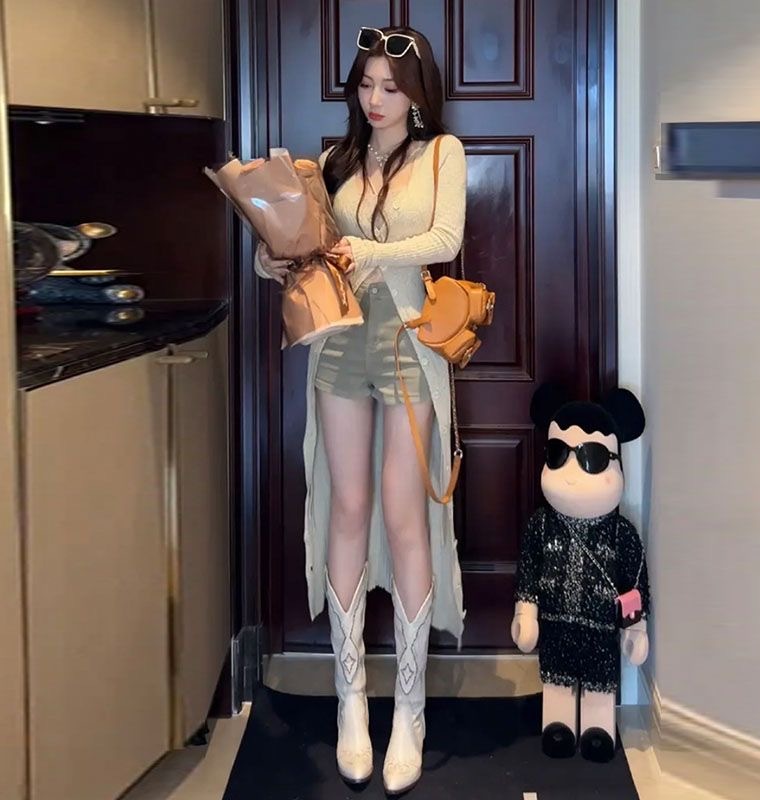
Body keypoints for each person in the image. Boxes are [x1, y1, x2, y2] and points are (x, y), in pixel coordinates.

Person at [257, 24, 467, 795]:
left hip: (409, 342)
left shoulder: (442, 153)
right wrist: (271, 256)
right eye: (366, 84)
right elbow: (304, 245)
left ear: (416, 95)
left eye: (390, 87)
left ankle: (409, 710)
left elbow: (446, 237)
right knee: (346, 506)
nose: (375, 99)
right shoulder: (335, 162)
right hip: (339, 341)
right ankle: (352, 702)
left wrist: (368, 253)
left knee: (405, 514)